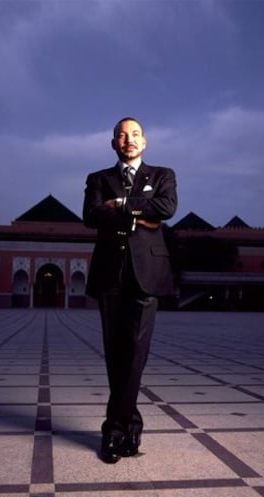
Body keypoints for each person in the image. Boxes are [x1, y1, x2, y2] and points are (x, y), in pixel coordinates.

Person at [82, 117, 178, 463]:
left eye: (135, 134)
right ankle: (131, 424)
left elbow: (166, 208)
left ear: (145, 141)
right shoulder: (98, 179)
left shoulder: (163, 175)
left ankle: (114, 429)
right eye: (122, 135)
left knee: (136, 353)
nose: (129, 140)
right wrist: (141, 212)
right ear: (113, 144)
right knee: (115, 352)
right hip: (110, 273)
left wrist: (119, 205)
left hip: (147, 273)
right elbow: (91, 215)